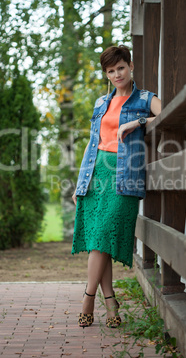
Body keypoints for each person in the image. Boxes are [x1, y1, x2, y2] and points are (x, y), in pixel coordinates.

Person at [71, 45, 161, 328]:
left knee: (105, 234)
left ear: (130, 66)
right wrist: (79, 183)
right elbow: (92, 142)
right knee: (100, 240)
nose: (116, 74)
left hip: (124, 175)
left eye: (120, 68)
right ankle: (111, 304)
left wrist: (139, 121)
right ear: (106, 74)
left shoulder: (146, 98)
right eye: (110, 71)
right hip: (96, 173)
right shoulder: (101, 103)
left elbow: (170, 115)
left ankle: (88, 298)